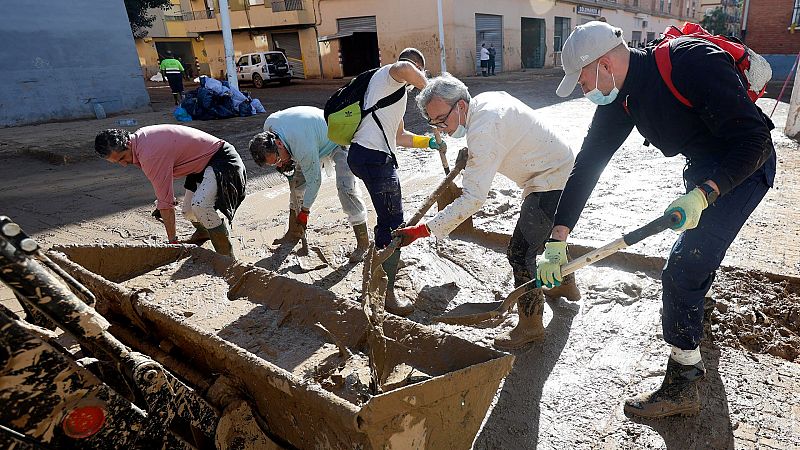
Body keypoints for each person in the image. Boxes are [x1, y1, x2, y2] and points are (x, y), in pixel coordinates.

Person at [543, 21, 776, 418]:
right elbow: (588, 164)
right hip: (702, 171)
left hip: (742, 171)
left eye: (581, 80)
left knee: (682, 268)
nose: (582, 90)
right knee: (697, 258)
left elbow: (756, 142)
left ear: (604, 64)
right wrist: (557, 238)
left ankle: (685, 381)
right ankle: (696, 306)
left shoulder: (692, 62)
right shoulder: (622, 97)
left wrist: (705, 194)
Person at [393, 74, 576, 349]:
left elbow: (473, 199)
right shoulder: (485, 102)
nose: (440, 127)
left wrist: (423, 230)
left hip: (552, 177)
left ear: (461, 106)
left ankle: (531, 325)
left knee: (520, 251)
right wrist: (472, 155)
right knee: (544, 232)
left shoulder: (483, 130)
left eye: (442, 119)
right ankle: (564, 284)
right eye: (434, 122)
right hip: (555, 164)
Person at [347, 48, 441, 316]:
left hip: (366, 156)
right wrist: (431, 90)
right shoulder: (391, 75)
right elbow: (405, 67)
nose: (417, 79)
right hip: (374, 158)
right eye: (420, 72)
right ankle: (384, 291)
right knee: (394, 224)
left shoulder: (393, 95)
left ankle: (380, 269)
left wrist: (428, 141)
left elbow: (399, 136)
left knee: (387, 220)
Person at [95, 125, 247, 258]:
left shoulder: (149, 154)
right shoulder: (140, 139)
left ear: (127, 143)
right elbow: (164, 197)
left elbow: (166, 204)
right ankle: (204, 233)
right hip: (201, 167)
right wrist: (163, 204)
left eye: (123, 158)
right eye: (117, 162)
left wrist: (172, 242)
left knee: (201, 206)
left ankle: (226, 257)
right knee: (188, 211)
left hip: (223, 161)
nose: (123, 164)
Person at [248, 106, 370, 263]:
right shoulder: (269, 127)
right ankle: (293, 233)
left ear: (278, 143)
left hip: (337, 140)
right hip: (311, 140)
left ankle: (363, 243)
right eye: (274, 165)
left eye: (278, 161)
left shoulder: (301, 147)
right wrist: (282, 162)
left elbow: (315, 182)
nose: (279, 166)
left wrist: (305, 212)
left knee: (346, 189)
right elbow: (292, 163)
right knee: (297, 188)